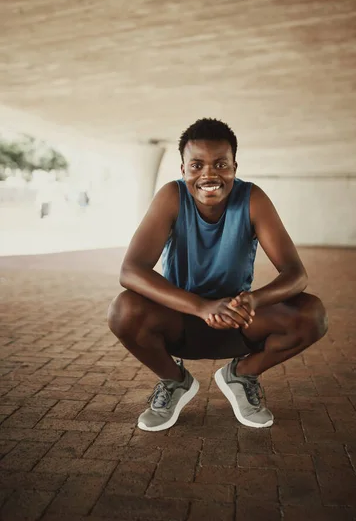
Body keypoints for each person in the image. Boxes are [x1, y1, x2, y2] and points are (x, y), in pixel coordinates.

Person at [107, 118, 328, 432]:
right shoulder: (171, 196)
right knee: (123, 310)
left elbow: (296, 274)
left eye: (220, 164)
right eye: (196, 165)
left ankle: (242, 375)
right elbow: (131, 271)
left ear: (234, 168)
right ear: (182, 170)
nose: (208, 174)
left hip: (237, 322)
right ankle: (174, 381)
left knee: (312, 315)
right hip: (180, 320)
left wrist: (252, 300)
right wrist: (200, 306)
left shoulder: (252, 199)